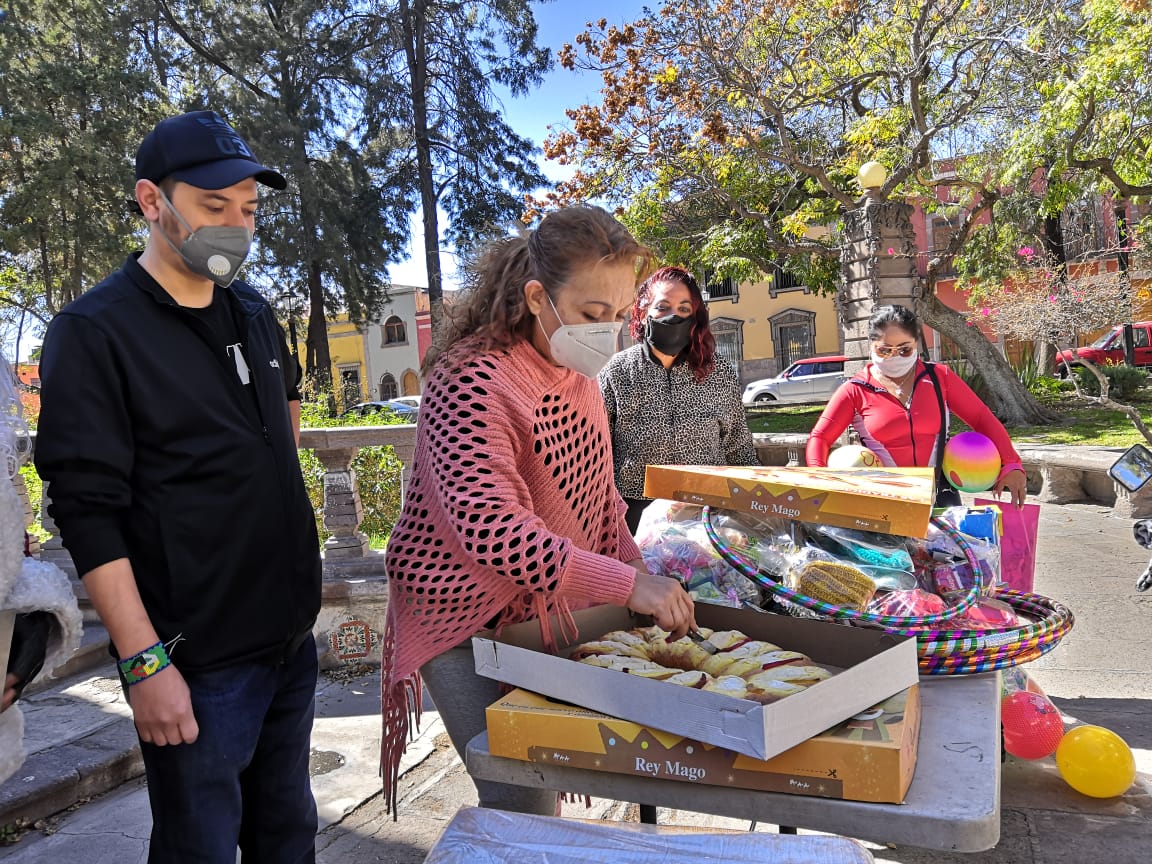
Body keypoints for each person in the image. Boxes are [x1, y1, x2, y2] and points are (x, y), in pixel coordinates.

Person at [34, 111, 321, 863]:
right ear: (154, 202)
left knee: (288, 836)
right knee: (198, 847)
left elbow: (279, 440)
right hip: (197, 665)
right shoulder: (94, 332)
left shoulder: (254, 313)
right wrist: (143, 664)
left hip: (288, 643)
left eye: (249, 211)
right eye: (214, 207)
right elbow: (87, 512)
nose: (236, 228)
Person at [380, 207, 697, 816]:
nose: (609, 334)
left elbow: (602, 508)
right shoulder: (469, 380)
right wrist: (630, 585)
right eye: (591, 315)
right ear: (535, 297)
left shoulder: (579, 380)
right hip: (458, 614)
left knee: (545, 779)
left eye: (618, 316)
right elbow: (493, 530)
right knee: (519, 792)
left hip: (539, 611)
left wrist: (646, 579)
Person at [806, 305, 1027, 507]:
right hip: (882, 501)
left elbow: (981, 418)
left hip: (939, 496)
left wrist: (1012, 464)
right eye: (885, 350)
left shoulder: (940, 377)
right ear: (870, 346)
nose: (894, 357)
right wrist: (819, 479)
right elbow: (820, 438)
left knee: (950, 552)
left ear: (917, 343)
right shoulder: (856, 389)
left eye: (904, 350)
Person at [599, 266, 759, 533]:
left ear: (695, 317)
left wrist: (756, 510)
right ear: (643, 312)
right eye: (663, 307)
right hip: (634, 523)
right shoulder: (617, 373)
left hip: (708, 519)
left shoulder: (718, 373)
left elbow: (738, 448)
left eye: (684, 309)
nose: (673, 317)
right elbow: (595, 455)